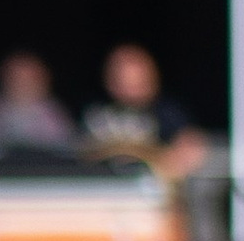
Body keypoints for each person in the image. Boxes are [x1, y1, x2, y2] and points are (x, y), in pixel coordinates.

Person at [83, 40, 205, 183]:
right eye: (123, 80)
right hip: (105, 191)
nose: (131, 90)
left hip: (151, 191)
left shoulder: (167, 112)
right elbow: (78, 151)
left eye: (138, 81)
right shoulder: (96, 110)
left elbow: (192, 148)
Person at [0, 49, 76, 161]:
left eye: (28, 79)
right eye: (16, 78)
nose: (21, 84)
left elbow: (65, 148)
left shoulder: (53, 112)